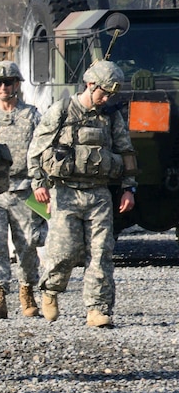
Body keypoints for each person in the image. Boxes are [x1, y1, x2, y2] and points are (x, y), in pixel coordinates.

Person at [26, 59, 136, 328]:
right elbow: (37, 148)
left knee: (101, 253)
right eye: (104, 92)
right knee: (64, 251)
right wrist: (38, 183)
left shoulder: (111, 116)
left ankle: (97, 309)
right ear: (90, 84)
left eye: (112, 94)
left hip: (99, 194)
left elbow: (126, 152)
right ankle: (50, 291)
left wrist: (128, 188)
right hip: (66, 193)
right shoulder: (62, 110)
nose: (107, 98)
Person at [0, 61, 43, 319]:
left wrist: (42, 185)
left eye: (8, 82)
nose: (3, 87)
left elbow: (42, 151)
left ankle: (27, 291)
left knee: (27, 244)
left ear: (17, 84)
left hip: (24, 189)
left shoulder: (32, 115)